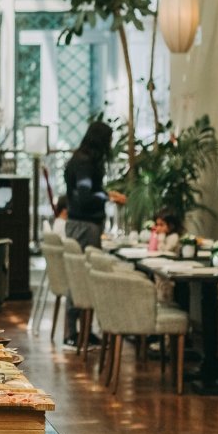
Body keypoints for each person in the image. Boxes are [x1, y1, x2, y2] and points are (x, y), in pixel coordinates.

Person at [62, 121, 124, 346]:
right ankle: (74, 332)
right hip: (85, 226)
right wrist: (107, 196)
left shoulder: (79, 159)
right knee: (82, 277)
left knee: (80, 276)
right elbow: (86, 196)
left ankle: (81, 331)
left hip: (78, 224)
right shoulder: (85, 164)